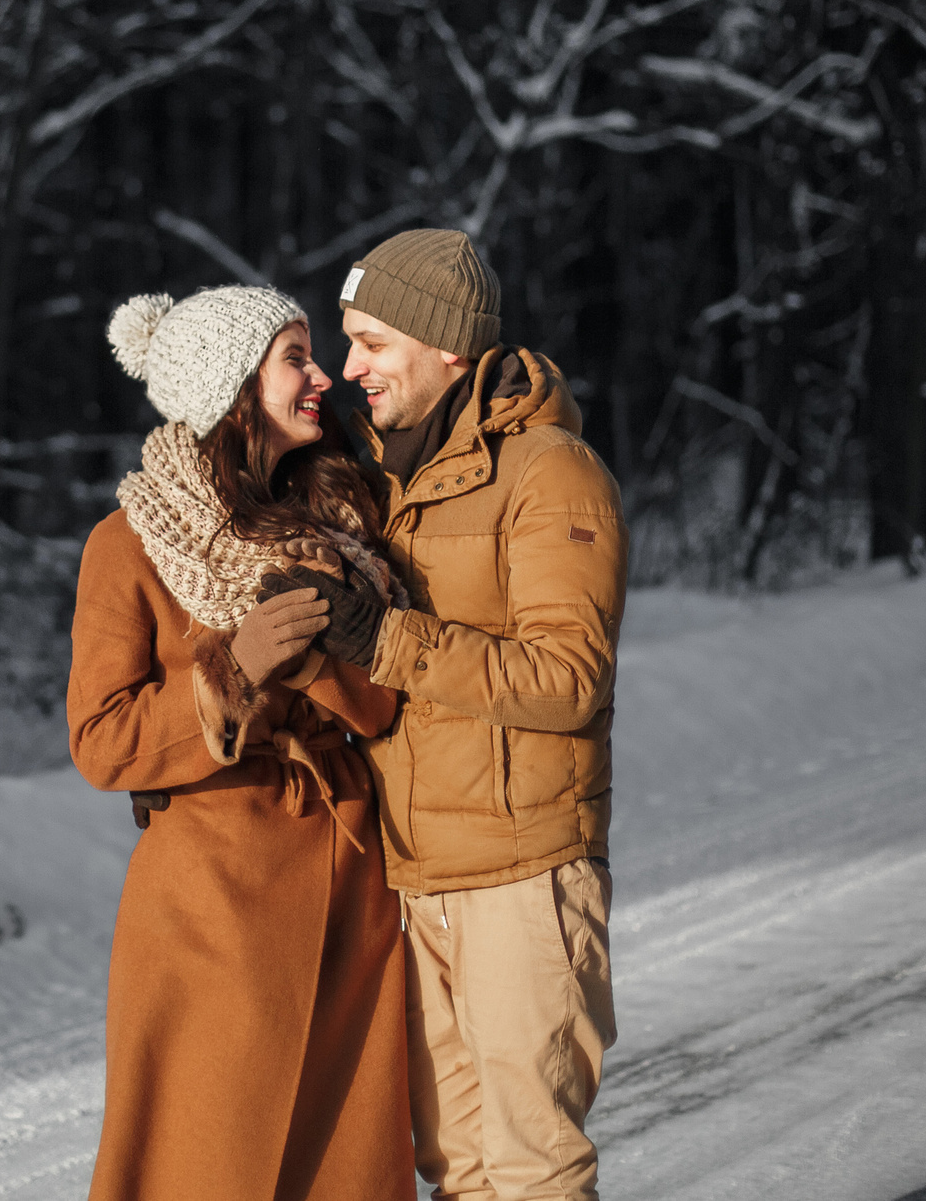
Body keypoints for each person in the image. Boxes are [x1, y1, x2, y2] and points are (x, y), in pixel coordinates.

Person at [67, 284, 417, 1201]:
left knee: (343, 1164)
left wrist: (317, 662)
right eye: (295, 358)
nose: (323, 376)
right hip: (209, 906)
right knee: (201, 1162)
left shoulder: (345, 523)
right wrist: (231, 673)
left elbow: (388, 703)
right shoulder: (128, 545)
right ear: (230, 389)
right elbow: (101, 739)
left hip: (351, 885)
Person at [302, 228, 628, 1201]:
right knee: (458, 1172)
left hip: (522, 877)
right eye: (348, 342)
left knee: (532, 1167)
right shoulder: (382, 479)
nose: (350, 367)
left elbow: (569, 677)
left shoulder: (550, 472)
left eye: (372, 342)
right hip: (415, 875)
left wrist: (389, 639)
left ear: (447, 344)